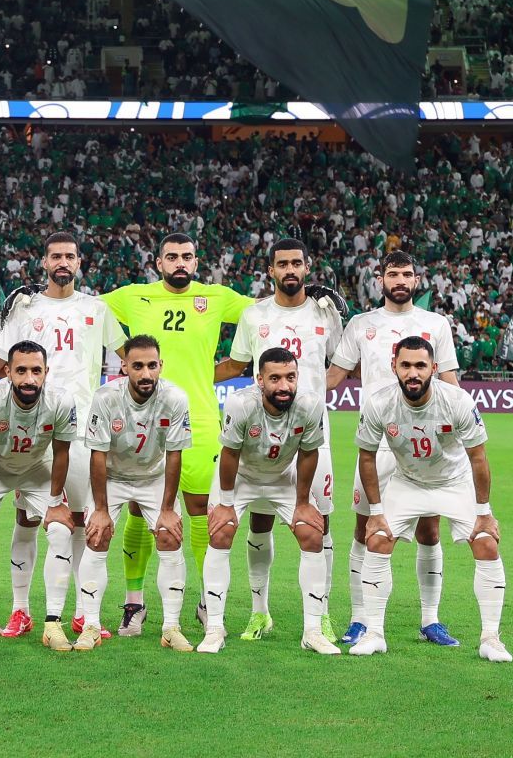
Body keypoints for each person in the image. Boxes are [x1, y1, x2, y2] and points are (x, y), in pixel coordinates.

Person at [100, 232, 250, 636]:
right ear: (158, 262)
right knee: (139, 509)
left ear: (196, 261)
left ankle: (206, 600)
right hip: (143, 421)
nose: (179, 263)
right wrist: (124, 355)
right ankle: (134, 602)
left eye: (186, 256)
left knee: (201, 512)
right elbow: (87, 311)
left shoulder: (216, 297)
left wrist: (313, 295)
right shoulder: (134, 296)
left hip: (200, 421)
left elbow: (265, 313)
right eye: (171, 257)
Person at [0, 232, 125, 643]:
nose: (62, 262)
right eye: (55, 256)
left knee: (83, 523)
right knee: (28, 518)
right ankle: (20, 611)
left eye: (70, 255)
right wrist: (2, 314)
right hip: (32, 431)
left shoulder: (97, 308)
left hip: (82, 430)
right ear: (43, 263)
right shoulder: (25, 308)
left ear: (79, 262)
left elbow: (122, 360)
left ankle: (86, 615)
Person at [332, 249, 462, 648]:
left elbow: (450, 380)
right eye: (393, 274)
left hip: (423, 445)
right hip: (376, 443)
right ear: (380, 279)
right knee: (363, 527)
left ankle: (430, 619)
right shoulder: (361, 324)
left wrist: (457, 432)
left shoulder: (435, 324)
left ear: (417, 279)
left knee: (429, 527)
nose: (400, 280)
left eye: (407, 274)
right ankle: (359, 619)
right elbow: (335, 375)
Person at [353, 336, 510, 662]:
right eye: (406, 365)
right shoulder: (379, 402)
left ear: (434, 369)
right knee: (378, 538)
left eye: (420, 366)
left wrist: (484, 512)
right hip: (407, 481)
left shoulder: (457, 400)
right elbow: (366, 458)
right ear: (394, 367)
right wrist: (377, 512)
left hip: (454, 482)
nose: (413, 373)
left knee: (486, 541)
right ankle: (374, 633)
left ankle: (491, 639)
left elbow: (479, 458)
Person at [220, 235, 345, 641]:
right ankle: (260, 613)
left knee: (319, 523)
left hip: (311, 435)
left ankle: (321, 616)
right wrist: (190, 374)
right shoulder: (254, 315)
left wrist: (316, 393)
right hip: (263, 436)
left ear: (307, 268)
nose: (290, 270)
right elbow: (237, 364)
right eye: (282, 264)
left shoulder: (326, 313)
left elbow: (344, 362)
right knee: (259, 521)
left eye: (297, 263)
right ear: (270, 270)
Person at [200, 347, 336, 655]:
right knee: (221, 532)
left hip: (282, 477)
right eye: (275, 378)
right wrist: (226, 502)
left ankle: (312, 631)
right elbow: (230, 454)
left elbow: (309, 453)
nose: (284, 386)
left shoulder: (309, 405)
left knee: (312, 533)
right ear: (260, 379)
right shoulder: (241, 403)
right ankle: (215, 628)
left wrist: (303, 502)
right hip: (241, 477)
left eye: (290, 377)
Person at [72, 336, 193, 652]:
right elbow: (97, 455)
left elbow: (175, 454)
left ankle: (171, 627)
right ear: (124, 367)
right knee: (97, 536)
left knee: (170, 535)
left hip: (153, 477)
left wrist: (167, 509)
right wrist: (100, 509)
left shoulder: (175, 399)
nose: (146, 374)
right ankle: (91, 626)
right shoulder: (105, 397)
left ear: (160, 366)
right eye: (137, 366)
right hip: (111, 477)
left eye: (152, 365)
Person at [0, 341, 79, 648]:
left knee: (60, 530)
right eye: (21, 371)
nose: (29, 379)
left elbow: (62, 452)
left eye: (36, 371)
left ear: (46, 373)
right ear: (7, 372)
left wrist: (54, 503)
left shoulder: (61, 401)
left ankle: (52, 623)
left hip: (37, 469)